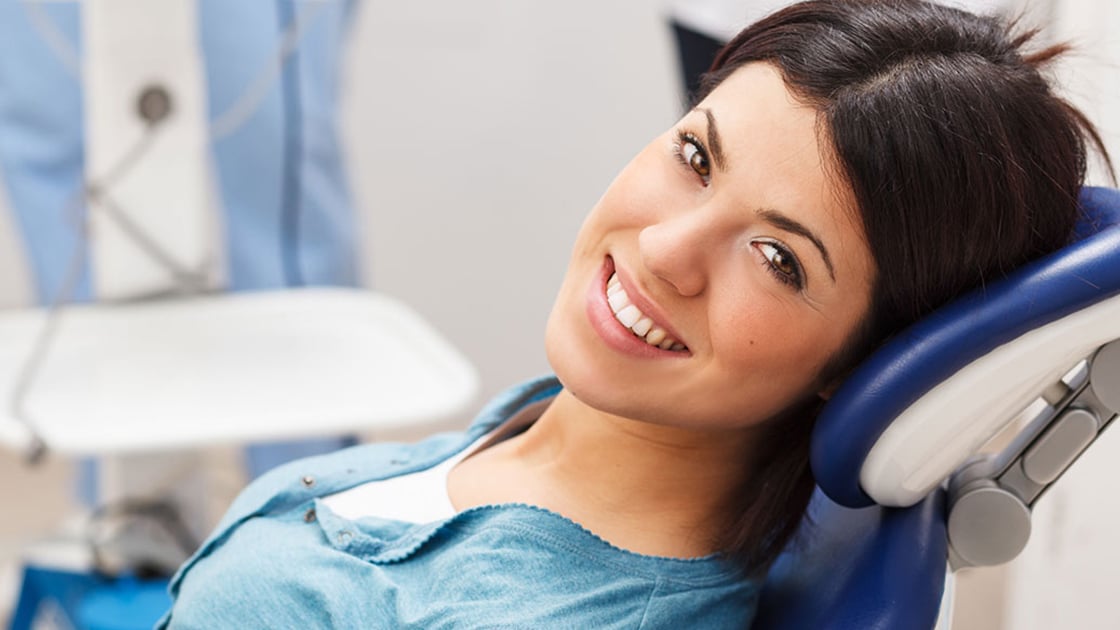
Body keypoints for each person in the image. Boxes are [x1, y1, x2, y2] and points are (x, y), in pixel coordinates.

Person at [158, 0, 1112, 627]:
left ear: (865, 352)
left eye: (779, 259)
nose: (663, 250)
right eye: (696, 157)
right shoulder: (558, 428)